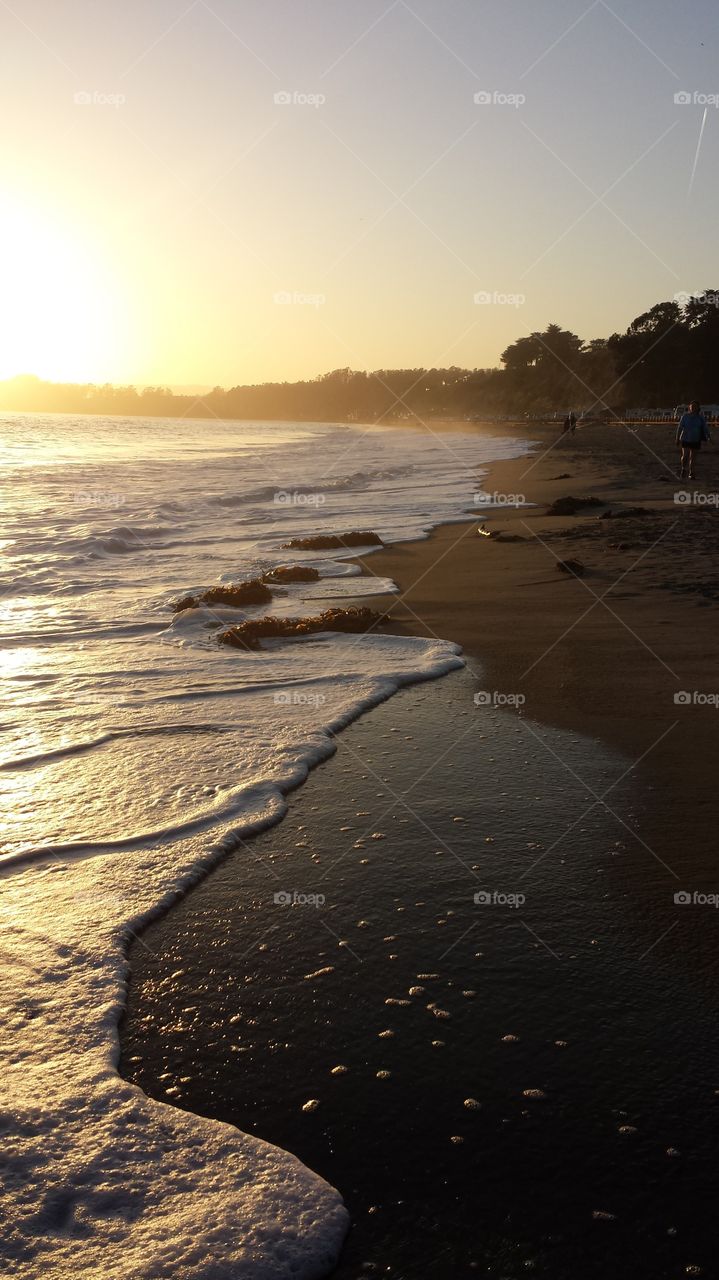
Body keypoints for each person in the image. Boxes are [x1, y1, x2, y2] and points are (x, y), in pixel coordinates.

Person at [676, 401, 710, 481]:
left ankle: (691, 473)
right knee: (685, 457)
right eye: (692, 406)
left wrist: (708, 437)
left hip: (696, 439)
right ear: (689, 407)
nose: (693, 408)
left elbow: (705, 428)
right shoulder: (685, 416)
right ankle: (684, 468)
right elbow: (680, 427)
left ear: (698, 408)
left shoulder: (700, 418)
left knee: (693, 457)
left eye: (695, 406)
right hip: (685, 438)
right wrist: (677, 438)